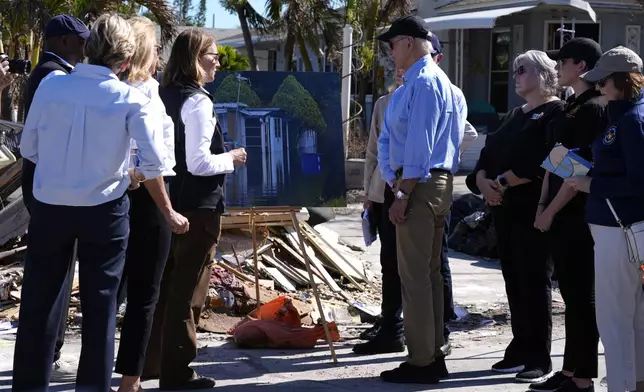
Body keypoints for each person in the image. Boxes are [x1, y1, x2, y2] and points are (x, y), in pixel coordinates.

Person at [13, 13, 167, 391]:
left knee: (38, 303)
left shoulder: (50, 85)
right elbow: (154, 162)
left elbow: (28, 147)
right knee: (101, 309)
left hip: (50, 205)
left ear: (88, 47)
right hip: (104, 209)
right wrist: (131, 177)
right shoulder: (132, 98)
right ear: (126, 61)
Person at [142, 28, 247, 390]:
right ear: (194, 59)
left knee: (164, 287)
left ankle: (151, 363)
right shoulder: (198, 100)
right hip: (198, 209)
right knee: (188, 293)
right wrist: (231, 158)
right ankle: (178, 372)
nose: (218, 61)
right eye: (212, 55)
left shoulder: (161, 94)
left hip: (167, 203)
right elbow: (200, 162)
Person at [376, 15, 465, 384]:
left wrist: (402, 192)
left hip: (420, 184)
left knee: (415, 276)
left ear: (409, 42)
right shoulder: (421, 82)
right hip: (426, 183)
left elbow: (418, 148)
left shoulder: (425, 83)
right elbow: (392, 140)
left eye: (393, 44)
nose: (391, 52)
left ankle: (422, 360)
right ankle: (429, 353)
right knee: (426, 275)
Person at [466, 50, 564, 383]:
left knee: (535, 282)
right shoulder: (513, 115)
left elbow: (549, 160)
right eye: (515, 70)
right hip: (503, 213)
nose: (516, 75)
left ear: (544, 74)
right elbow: (486, 155)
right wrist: (482, 181)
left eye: (523, 70)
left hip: (534, 212)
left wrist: (505, 181)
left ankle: (540, 355)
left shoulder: (556, 112)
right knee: (513, 282)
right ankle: (520, 346)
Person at [113, 16, 190, 392]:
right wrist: (168, 209)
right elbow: (148, 161)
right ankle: (131, 380)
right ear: (146, 49)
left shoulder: (125, 89)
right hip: (148, 194)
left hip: (123, 195)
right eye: (157, 47)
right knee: (144, 294)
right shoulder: (142, 92)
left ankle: (121, 374)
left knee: (117, 292)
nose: (160, 54)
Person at [565, 45, 644, 392]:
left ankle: (624, 387)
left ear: (621, 80)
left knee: (615, 319)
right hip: (617, 229)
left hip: (621, 230)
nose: (597, 86)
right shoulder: (623, 115)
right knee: (634, 319)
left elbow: (638, 181)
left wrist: (591, 183)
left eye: (603, 80)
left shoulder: (631, 119)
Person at [529, 38, 605, 392]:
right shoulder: (570, 105)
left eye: (564, 62)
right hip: (558, 210)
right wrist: (542, 206)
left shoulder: (594, 108)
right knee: (570, 298)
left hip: (577, 213)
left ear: (583, 67)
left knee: (581, 298)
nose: (558, 67)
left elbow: (579, 170)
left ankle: (583, 375)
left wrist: (552, 209)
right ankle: (569, 368)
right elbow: (553, 162)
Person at [20, 14, 90, 382]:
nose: (85, 47)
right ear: (62, 41)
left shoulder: (48, 72)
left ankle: (47, 352)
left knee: (55, 274)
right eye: (80, 41)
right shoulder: (53, 75)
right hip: (51, 186)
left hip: (46, 184)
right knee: (55, 277)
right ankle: (50, 351)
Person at [430, 33, 479, 351]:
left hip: (435, 184)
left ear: (438, 56)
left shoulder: (448, 93)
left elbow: (470, 132)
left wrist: (450, 158)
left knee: (438, 256)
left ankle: (444, 313)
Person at [356, 68, 406, 355]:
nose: (399, 71)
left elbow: (464, 134)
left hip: (413, 189)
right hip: (384, 191)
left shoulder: (435, 94)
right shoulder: (385, 103)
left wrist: (442, 168)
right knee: (389, 261)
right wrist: (369, 192)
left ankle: (423, 329)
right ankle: (391, 327)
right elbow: (373, 150)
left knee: (417, 266)